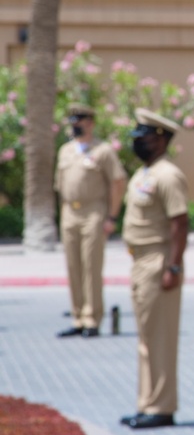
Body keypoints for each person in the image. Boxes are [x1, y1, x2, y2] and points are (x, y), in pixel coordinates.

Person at [119, 108, 188, 430]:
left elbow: (180, 223)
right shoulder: (145, 172)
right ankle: (147, 402)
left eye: (144, 137)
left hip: (158, 260)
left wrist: (173, 266)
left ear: (160, 140)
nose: (138, 142)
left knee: (159, 338)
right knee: (146, 337)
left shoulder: (167, 175)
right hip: (140, 260)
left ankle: (161, 406)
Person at [54, 103, 126, 338]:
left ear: (91, 123)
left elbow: (118, 183)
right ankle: (77, 318)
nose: (76, 124)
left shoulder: (102, 151)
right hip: (69, 213)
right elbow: (60, 186)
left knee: (91, 267)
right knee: (73, 267)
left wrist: (112, 216)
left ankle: (92, 319)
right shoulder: (65, 151)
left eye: (81, 120)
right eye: (73, 120)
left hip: (93, 212)